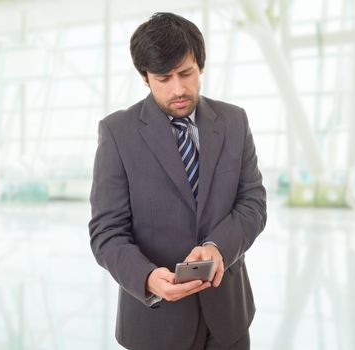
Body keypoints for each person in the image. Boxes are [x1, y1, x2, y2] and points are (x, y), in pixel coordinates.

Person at [88, 12, 267, 350]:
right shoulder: (117, 133)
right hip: (155, 325)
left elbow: (252, 203)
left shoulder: (234, 122)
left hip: (229, 319)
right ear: (145, 78)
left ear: (200, 65)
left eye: (186, 73)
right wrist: (146, 278)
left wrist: (217, 248)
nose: (179, 89)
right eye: (164, 78)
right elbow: (106, 231)